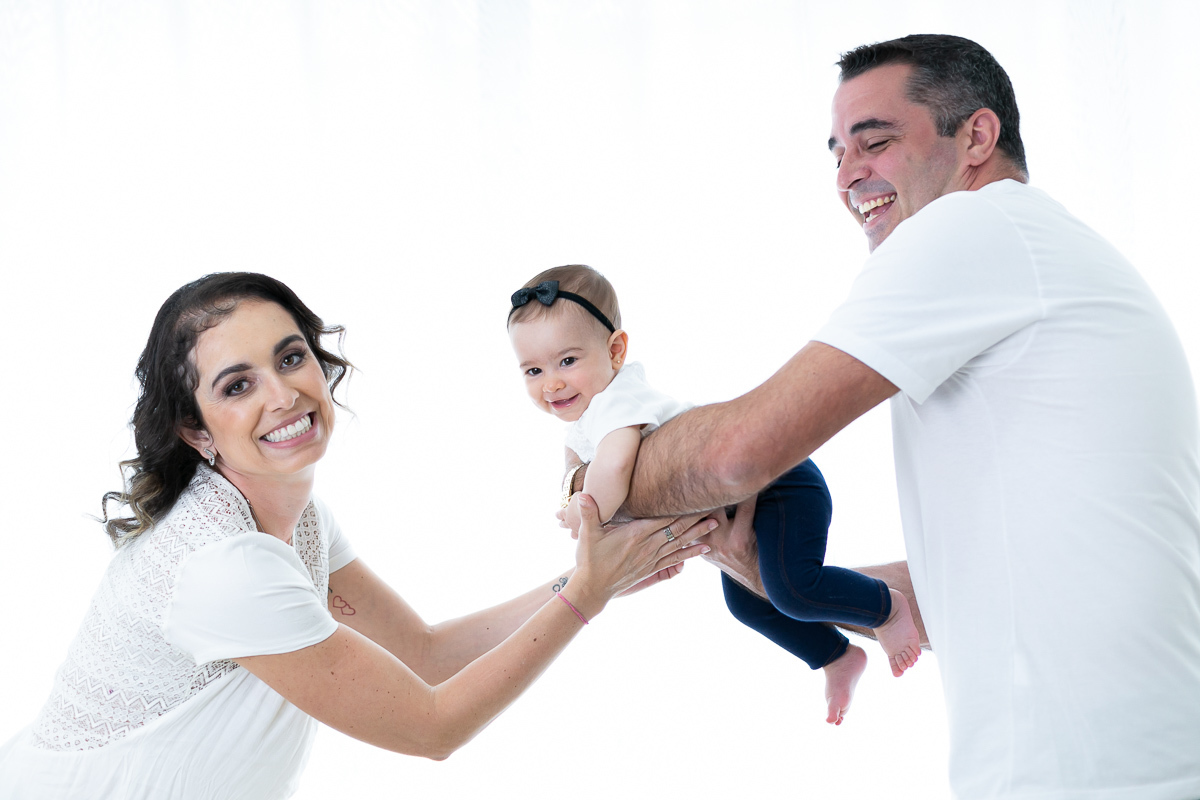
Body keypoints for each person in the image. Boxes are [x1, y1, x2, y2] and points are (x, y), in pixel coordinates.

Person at [565, 34, 1200, 799]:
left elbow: (737, 454)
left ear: (977, 137)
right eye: (837, 153)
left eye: (875, 142)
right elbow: (945, 600)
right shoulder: (1035, 252)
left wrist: (599, 473)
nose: (846, 176)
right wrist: (775, 575)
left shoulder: (974, 227)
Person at [0, 272, 714, 800]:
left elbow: (423, 655)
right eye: (237, 386)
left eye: (290, 358)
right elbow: (431, 726)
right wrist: (586, 593)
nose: (284, 395)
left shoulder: (297, 519)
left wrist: (590, 579)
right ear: (195, 430)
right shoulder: (224, 565)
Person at [506, 263, 920, 726]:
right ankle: (834, 655)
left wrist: (586, 514)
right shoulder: (591, 415)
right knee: (746, 603)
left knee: (794, 589)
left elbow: (616, 466)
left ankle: (886, 608)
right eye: (533, 370)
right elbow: (595, 470)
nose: (551, 383)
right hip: (747, 504)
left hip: (781, 486)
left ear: (615, 350)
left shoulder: (616, 402)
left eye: (567, 361)